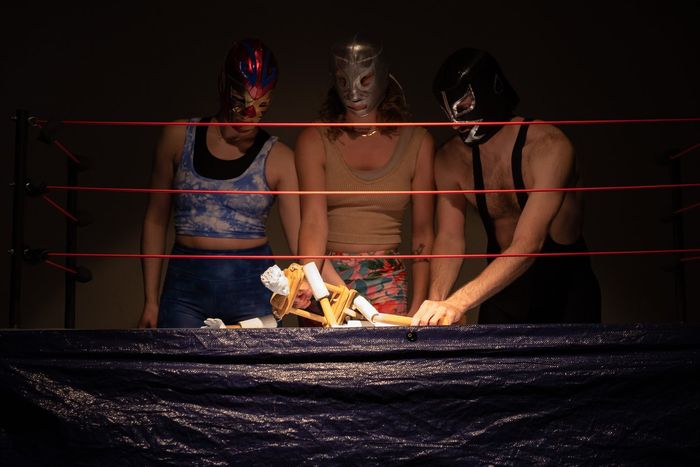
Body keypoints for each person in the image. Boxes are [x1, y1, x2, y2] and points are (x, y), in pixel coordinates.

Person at [412, 47, 601, 325]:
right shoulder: (451, 159)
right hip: (505, 294)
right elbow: (450, 238)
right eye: (448, 113)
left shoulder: (548, 147)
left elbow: (528, 244)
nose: (456, 123)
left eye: (463, 107)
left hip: (565, 288)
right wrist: (438, 305)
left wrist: (458, 302)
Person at [138, 38, 301, 328]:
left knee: (254, 373)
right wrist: (150, 301)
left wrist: (304, 285)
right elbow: (154, 220)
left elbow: (301, 237)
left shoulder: (279, 156)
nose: (250, 114)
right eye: (242, 103)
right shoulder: (177, 137)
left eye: (262, 104)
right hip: (186, 285)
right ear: (225, 88)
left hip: (252, 284)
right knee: (181, 369)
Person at [295, 34, 434, 317]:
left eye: (365, 80)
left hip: (386, 278)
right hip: (327, 274)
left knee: (386, 360)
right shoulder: (314, 139)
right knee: (326, 361)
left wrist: (419, 306)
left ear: (381, 76)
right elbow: (312, 222)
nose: (353, 92)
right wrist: (318, 282)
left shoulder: (417, 142)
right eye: (343, 81)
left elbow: (423, 233)